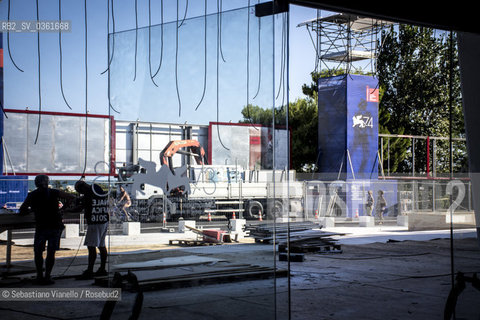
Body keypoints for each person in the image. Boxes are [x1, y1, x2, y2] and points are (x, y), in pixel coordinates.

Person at [19, 175, 75, 285]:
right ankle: (47, 276)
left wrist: (33, 210)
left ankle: (40, 276)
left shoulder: (32, 195)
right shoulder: (53, 192)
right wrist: (62, 209)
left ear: (36, 183)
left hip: (42, 226)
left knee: (38, 252)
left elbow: (22, 210)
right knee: (51, 252)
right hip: (55, 225)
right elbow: (71, 197)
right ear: (47, 182)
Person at [74, 179, 109, 279]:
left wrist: (69, 209)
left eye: (80, 191)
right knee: (102, 245)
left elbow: (81, 207)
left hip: (95, 222)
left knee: (91, 246)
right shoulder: (96, 188)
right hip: (103, 219)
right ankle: (102, 269)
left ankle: (90, 270)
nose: (81, 193)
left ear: (82, 187)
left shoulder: (88, 194)